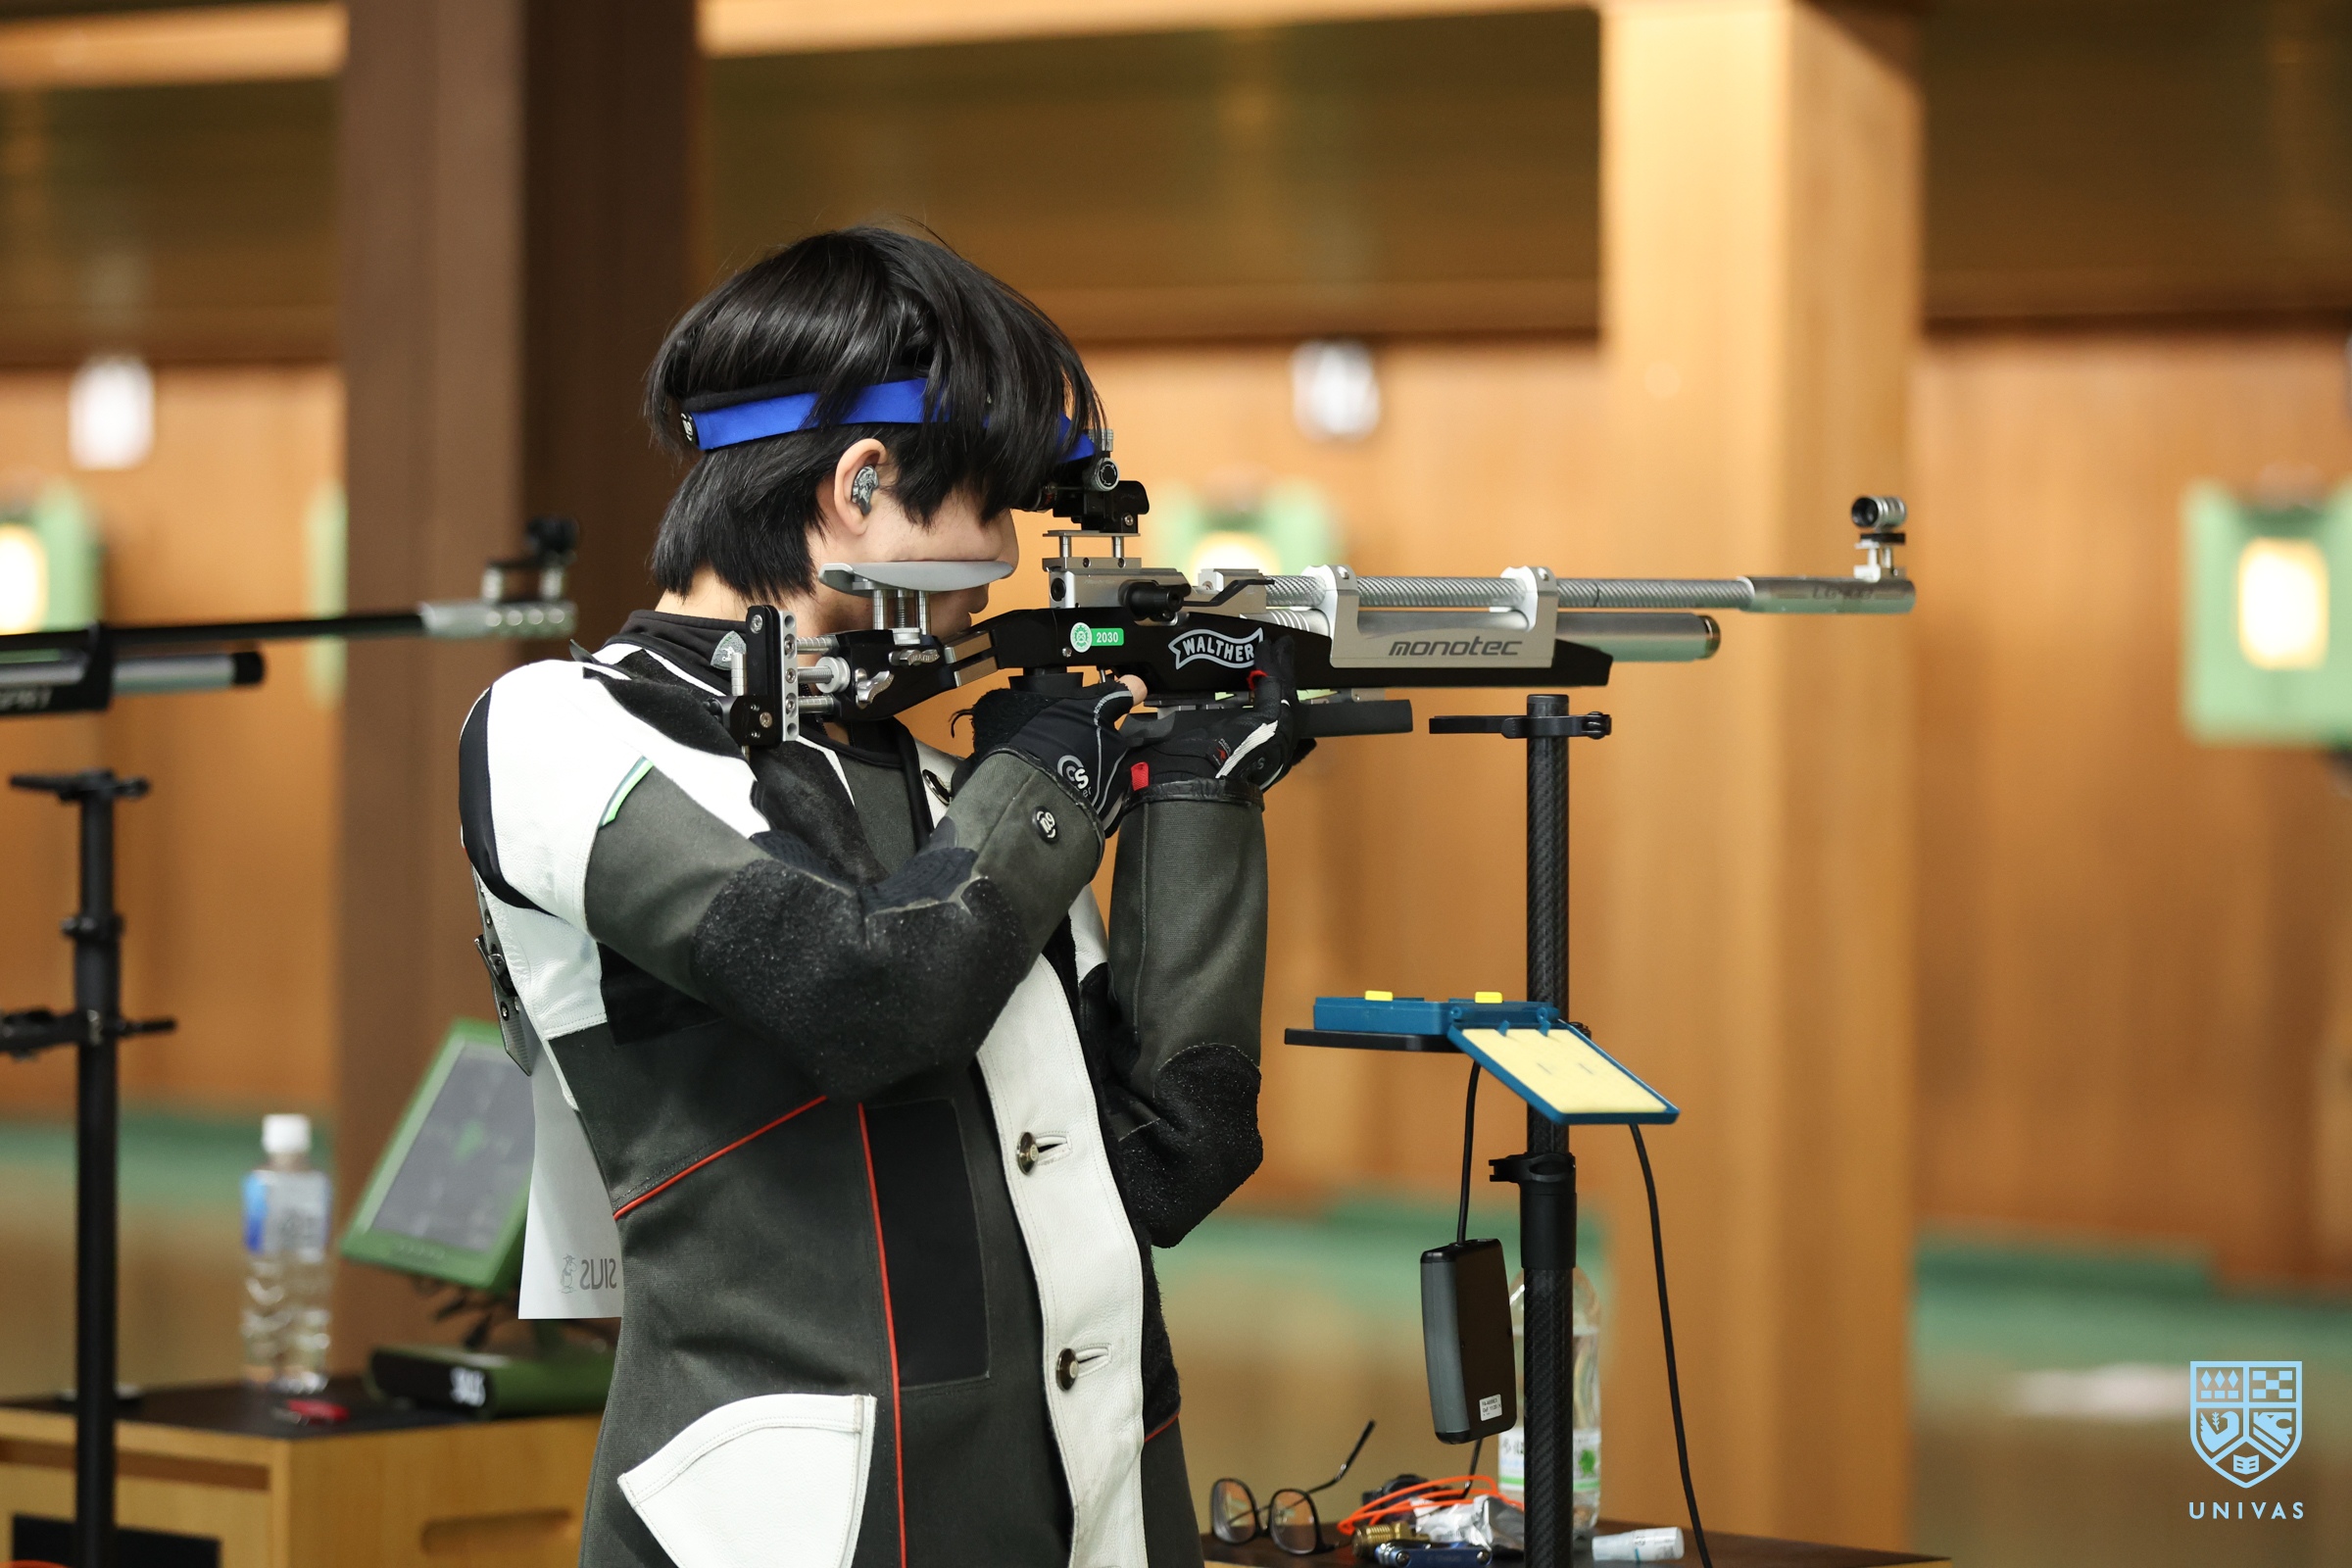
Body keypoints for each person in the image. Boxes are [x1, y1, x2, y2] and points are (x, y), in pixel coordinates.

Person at [458, 227, 1312, 1568]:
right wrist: (1051, 776)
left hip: (1091, 1503)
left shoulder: (947, 789)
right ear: (863, 485)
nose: (1006, 559)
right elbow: (868, 994)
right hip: (786, 1525)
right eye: (990, 509)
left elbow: (1171, 1151)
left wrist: (1199, 791)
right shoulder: (559, 727)